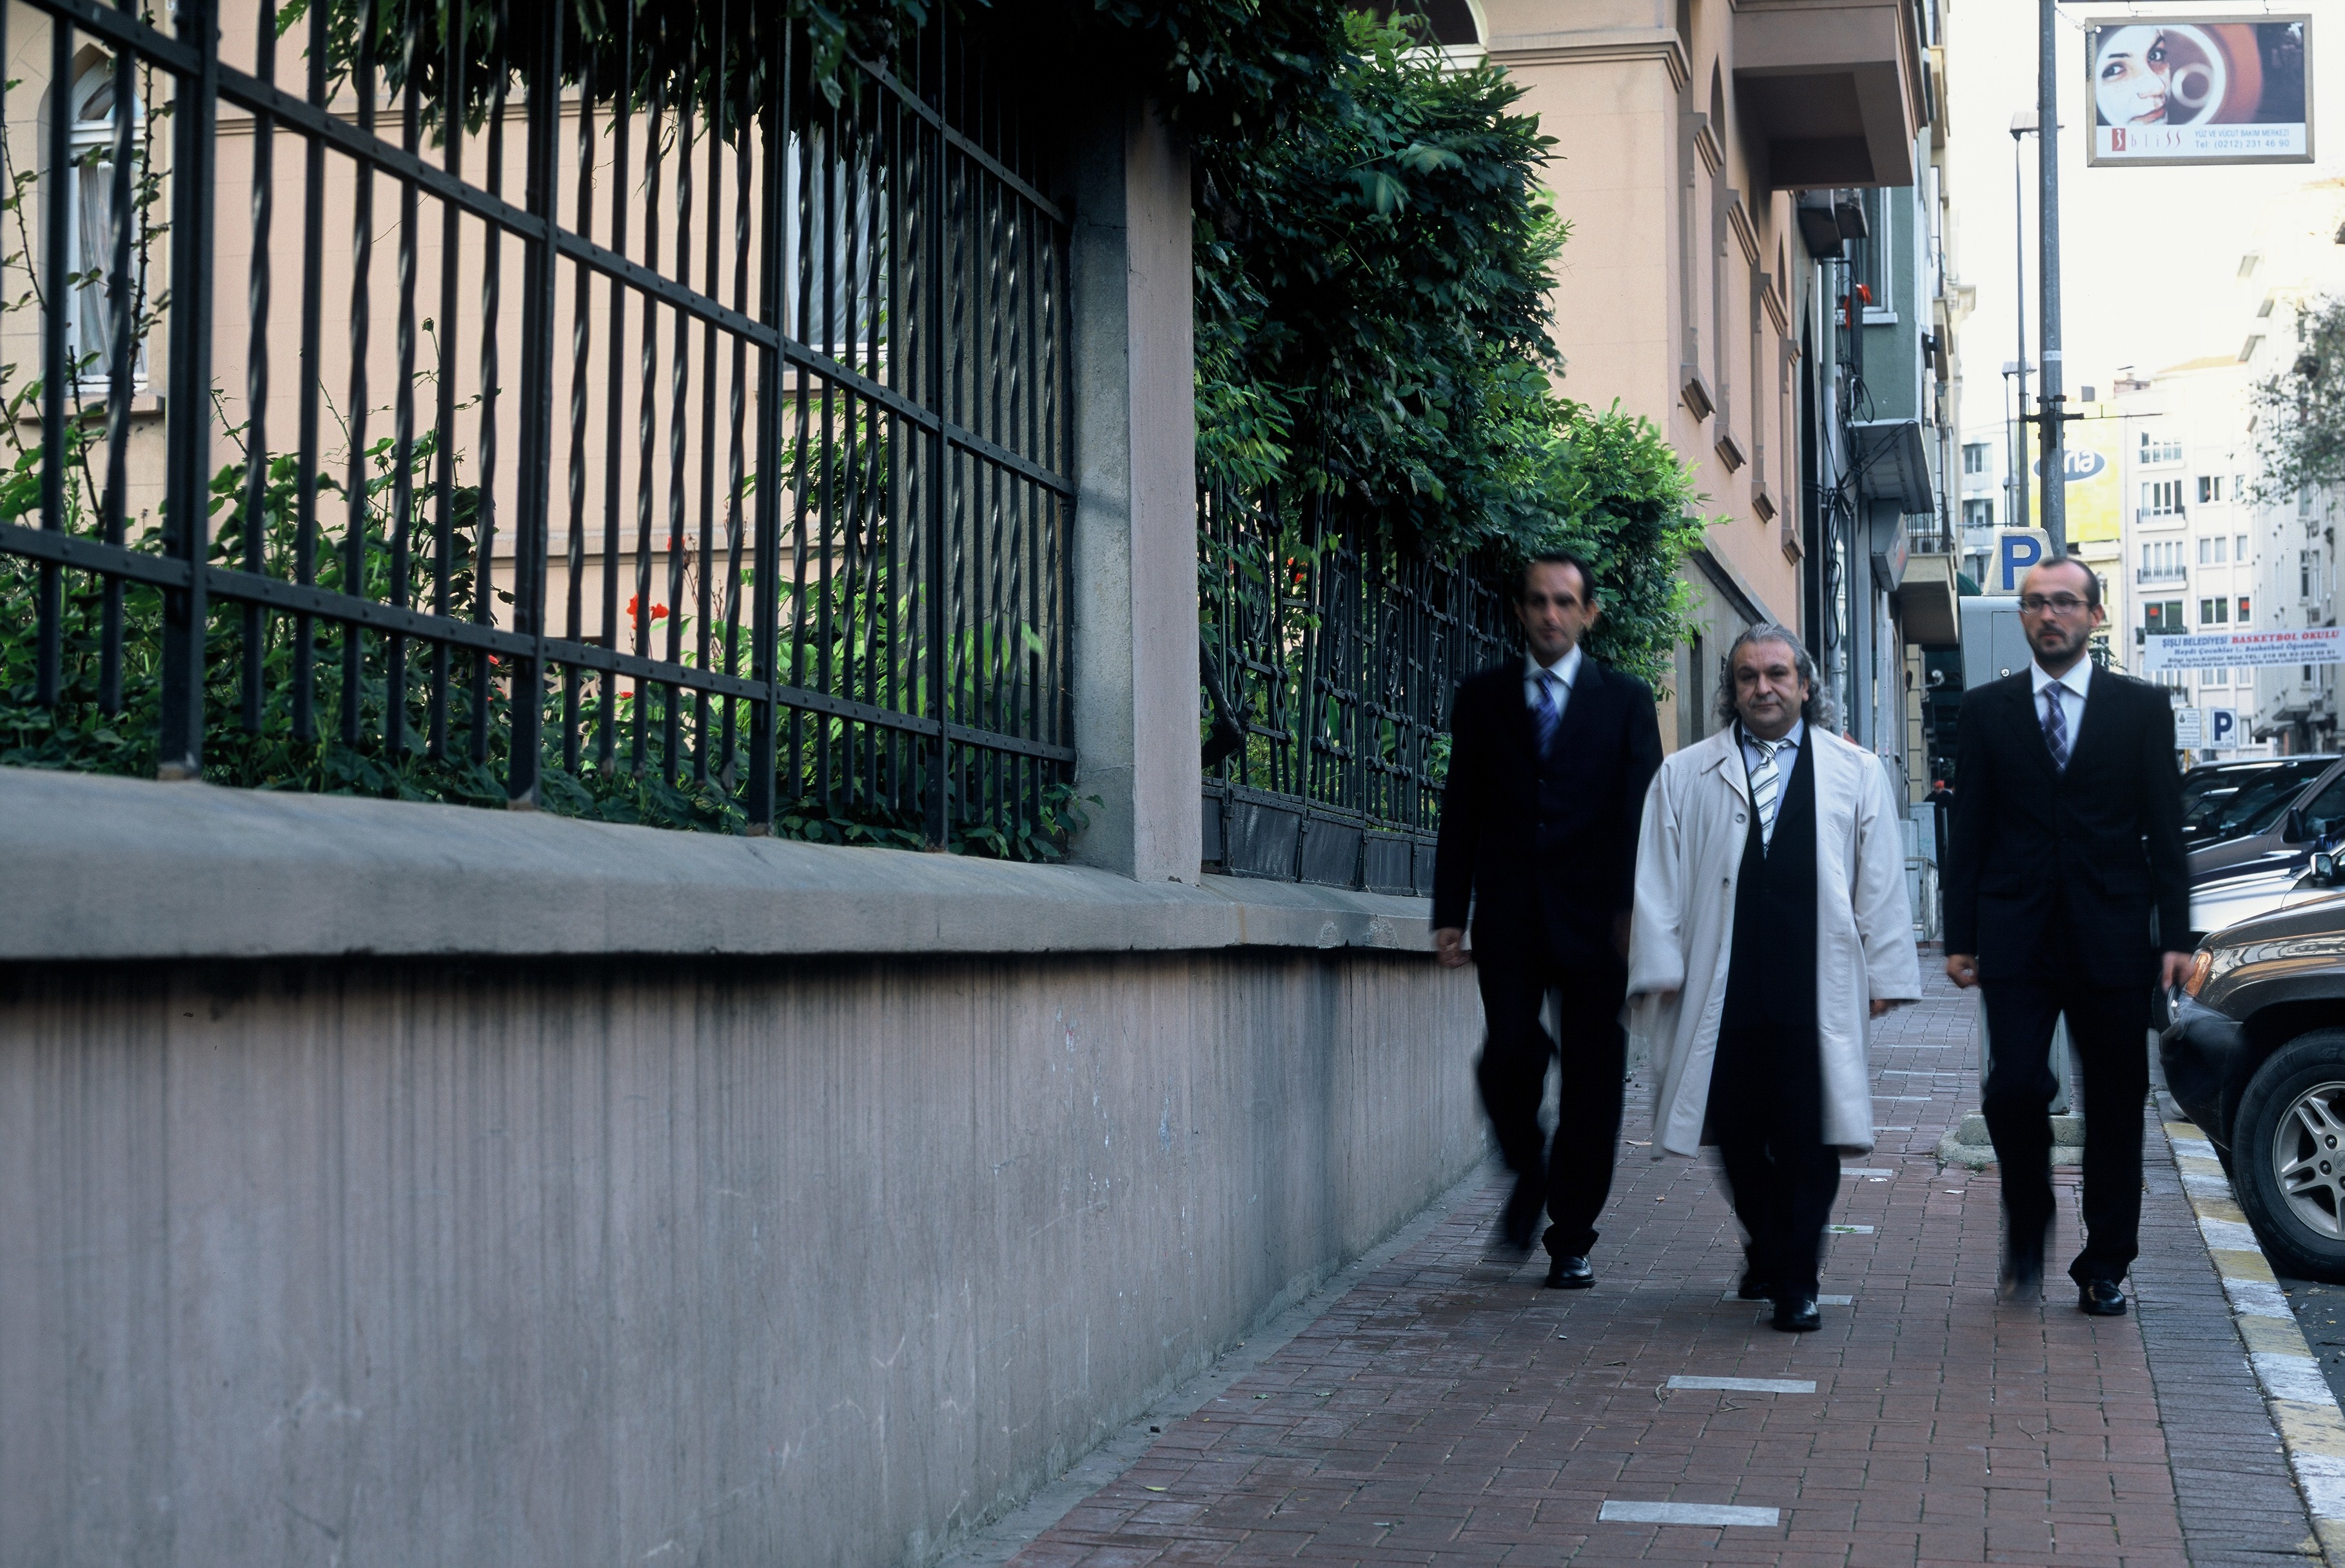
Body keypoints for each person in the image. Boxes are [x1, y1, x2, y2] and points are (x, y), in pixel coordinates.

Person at [1626, 626, 1920, 1332]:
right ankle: (1767, 1242)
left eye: (1777, 674)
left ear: (1804, 684)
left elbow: (1879, 878)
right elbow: (1657, 880)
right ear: (1730, 690)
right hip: (1721, 984)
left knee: (1808, 1134)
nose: (1763, 687)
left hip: (1816, 983)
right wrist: (1659, 964)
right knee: (1734, 1129)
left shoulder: (1855, 771)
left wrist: (1884, 969)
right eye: (1747, 676)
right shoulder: (1684, 774)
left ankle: (1797, 1280)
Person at [1943, 556, 2190, 1315]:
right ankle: (2029, 1218)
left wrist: (2176, 935)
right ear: (2022, 616)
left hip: (2112, 933)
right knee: (2013, 1086)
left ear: (2094, 614)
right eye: (2034, 603)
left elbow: (2165, 827)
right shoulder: (1985, 710)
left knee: (2116, 1102)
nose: (2048, 614)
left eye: (2063, 602)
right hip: (2016, 932)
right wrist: (1959, 934)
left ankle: (2104, 1263)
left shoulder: (2140, 707)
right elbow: (1968, 828)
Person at [1432, 551, 1663, 1289]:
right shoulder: (1483, 696)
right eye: (1537, 600)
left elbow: (1644, 816)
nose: (1550, 614)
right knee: (1506, 1055)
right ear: (1519, 609)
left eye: (1564, 601)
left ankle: (1570, 1236)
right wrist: (1449, 911)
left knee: (1594, 1083)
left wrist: (1638, 912)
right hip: (1509, 916)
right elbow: (1461, 807)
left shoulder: (1624, 699)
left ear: (1588, 613)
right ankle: (1529, 1168)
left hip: (1600, 924)